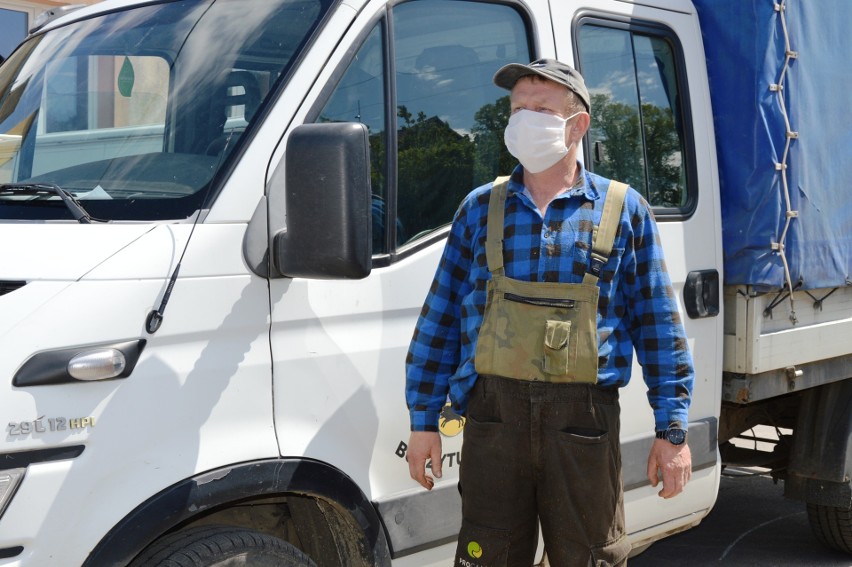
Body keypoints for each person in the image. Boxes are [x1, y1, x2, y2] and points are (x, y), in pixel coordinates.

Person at [404, 58, 694, 567]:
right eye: (518, 109)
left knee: (592, 556)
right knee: (487, 556)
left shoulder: (622, 210)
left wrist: (672, 433)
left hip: (584, 422)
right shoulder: (479, 208)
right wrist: (424, 421)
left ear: (577, 124)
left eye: (541, 108)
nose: (524, 119)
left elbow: (657, 325)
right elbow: (441, 319)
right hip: (493, 420)